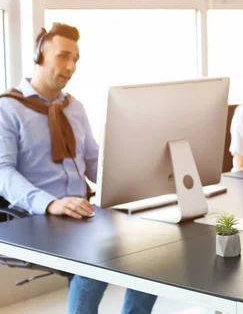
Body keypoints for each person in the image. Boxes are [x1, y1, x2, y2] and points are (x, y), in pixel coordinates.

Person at [0, 23, 157, 314]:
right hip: (36, 215)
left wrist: (136, 186)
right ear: (40, 56)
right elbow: (3, 173)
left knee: (152, 250)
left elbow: (94, 161)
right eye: (63, 56)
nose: (71, 66)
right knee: (95, 262)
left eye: (75, 59)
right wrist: (51, 203)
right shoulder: (7, 109)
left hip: (83, 212)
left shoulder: (75, 107)